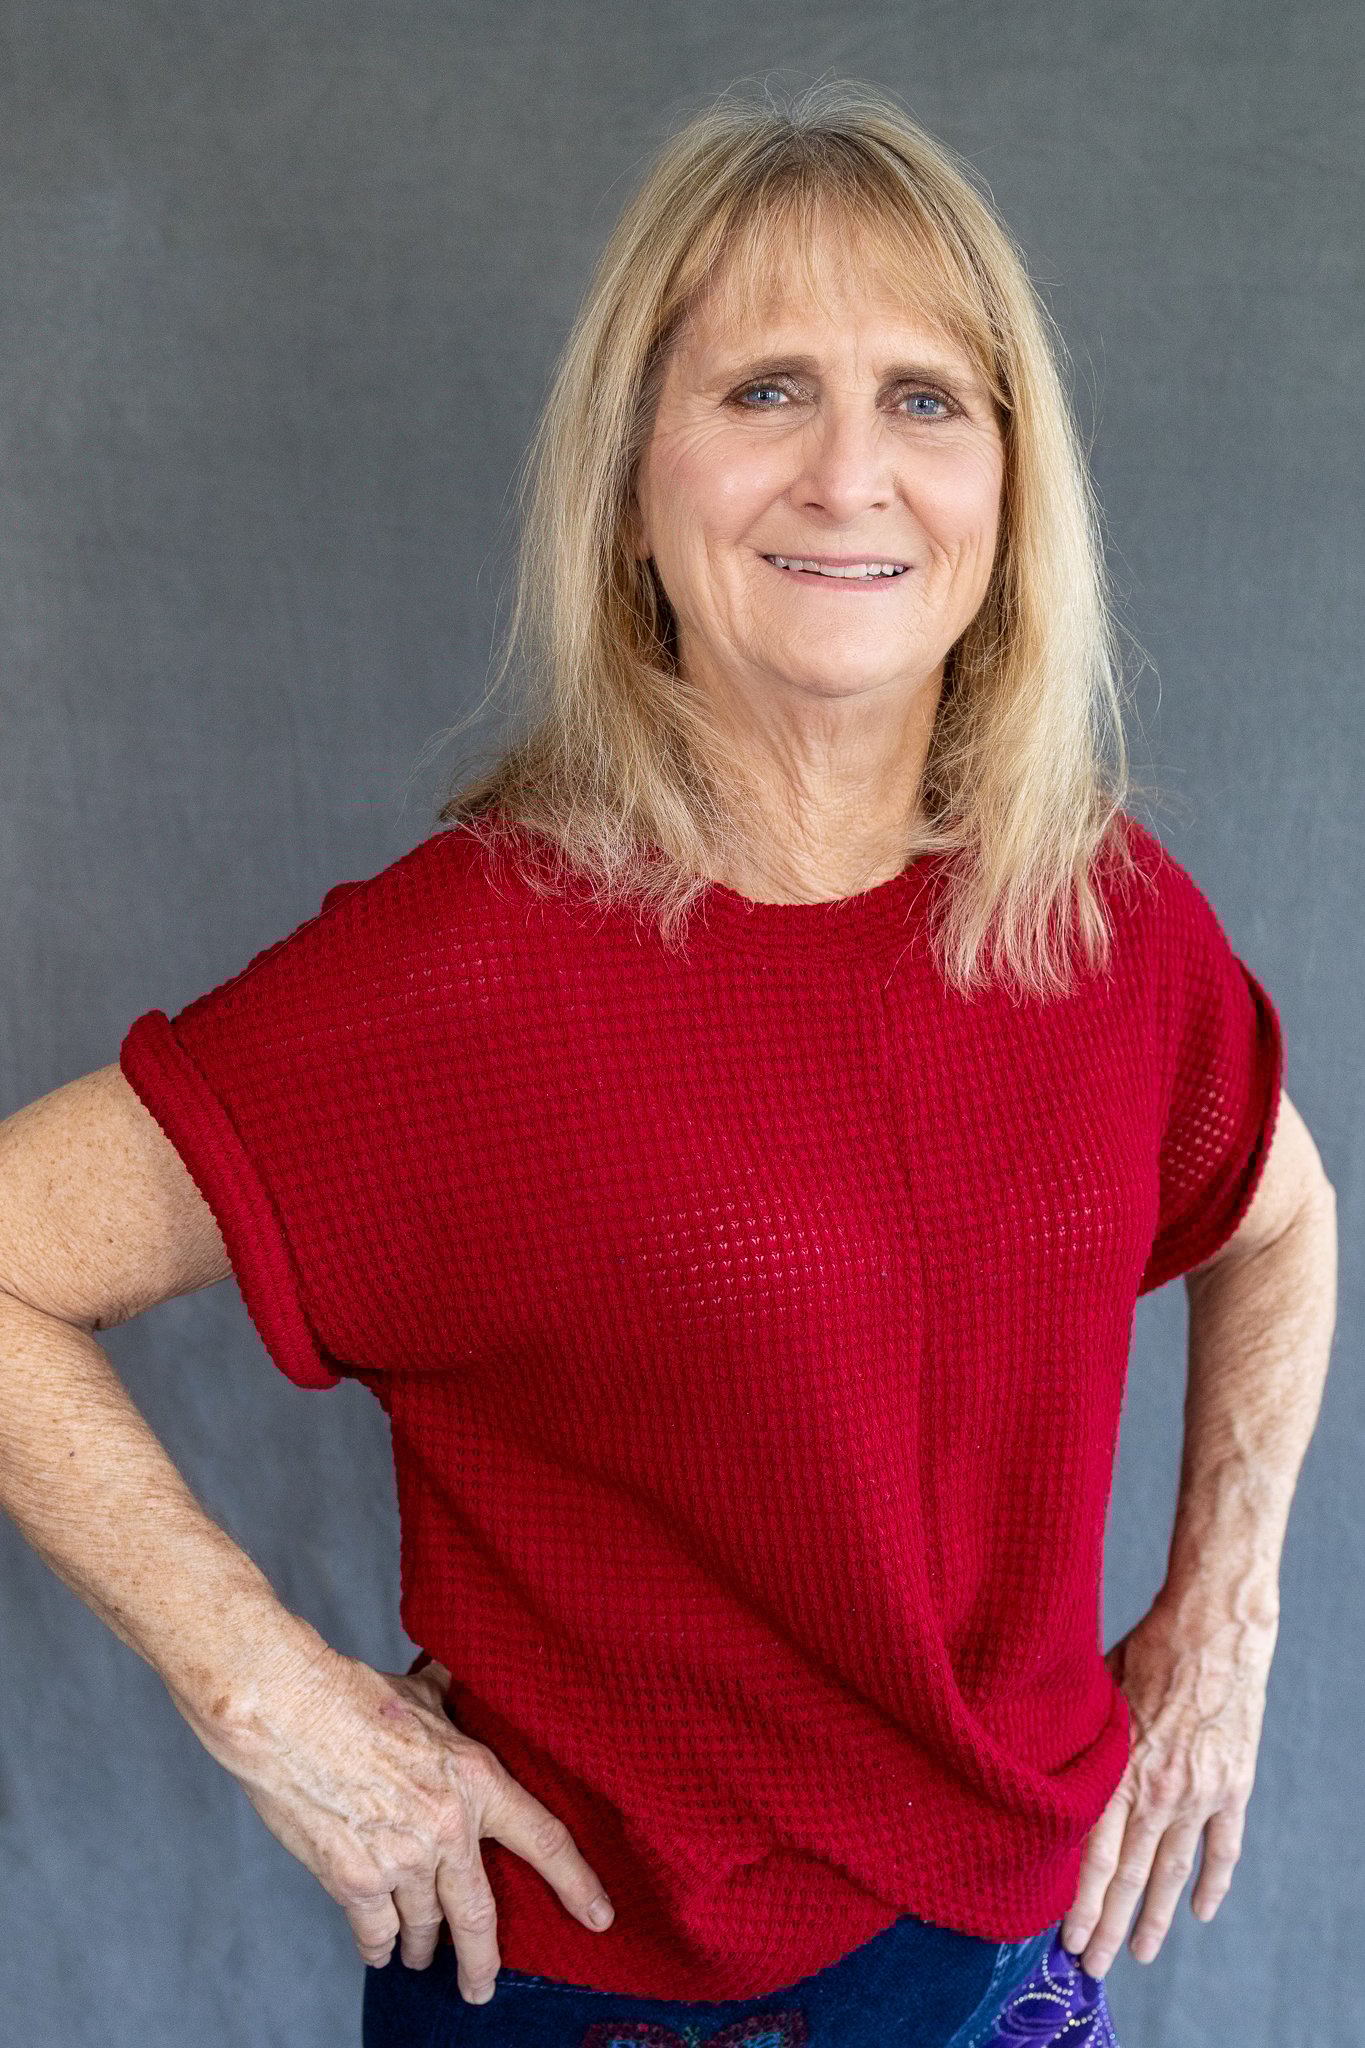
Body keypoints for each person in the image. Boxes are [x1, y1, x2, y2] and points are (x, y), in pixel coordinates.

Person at [0, 77, 1337, 2048]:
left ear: (1006, 488)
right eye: (763, 391)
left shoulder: (1097, 915)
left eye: (924, 399)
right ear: (630, 482)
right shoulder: (463, 973)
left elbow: (1282, 1215)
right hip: (612, 1998)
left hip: (1009, 1977)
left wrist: (1221, 1624)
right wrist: (262, 1693)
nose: (848, 477)